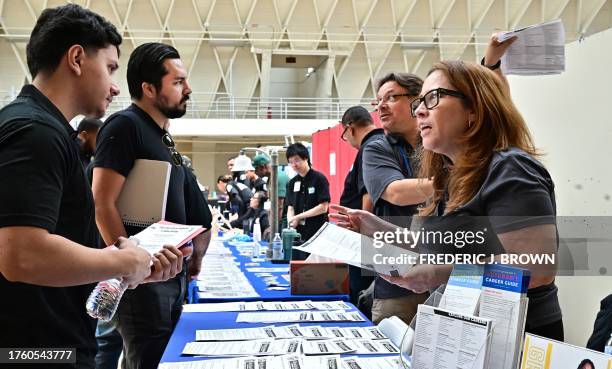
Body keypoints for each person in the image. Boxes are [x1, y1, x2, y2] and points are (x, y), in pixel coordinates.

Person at [0, 4, 178, 369]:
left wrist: (130, 270)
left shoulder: (47, 130)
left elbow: (56, 242)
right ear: (77, 58)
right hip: (38, 352)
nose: (115, 86)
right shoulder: (35, 132)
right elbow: (21, 255)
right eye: (110, 67)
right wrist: (121, 259)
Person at [334, 58, 564, 341]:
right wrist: (375, 227)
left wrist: (436, 273)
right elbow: (437, 246)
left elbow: (535, 267)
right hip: (465, 332)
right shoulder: (452, 176)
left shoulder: (509, 169)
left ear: (474, 109)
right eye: (419, 101)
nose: (418, 111)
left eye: (432, 98)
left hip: (512, 340)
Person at [92, 42, 211, 369]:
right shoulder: (125, 126)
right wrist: (128, 266)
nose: (187, 89)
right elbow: (102, 202)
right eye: (177, 82)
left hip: (169, 274)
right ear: (148, 88)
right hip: (144, 282)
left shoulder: (161, 136)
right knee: (149, 359)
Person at [360, 73, 433, 324]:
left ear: (419, 101)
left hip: (447, 277)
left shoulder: (439, 143)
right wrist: (455, 184)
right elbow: (396, 192)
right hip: (397, 281)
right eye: (378, 100)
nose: (381, 106)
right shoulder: (378, 147)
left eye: (391, 97)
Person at [338, 106, 384, 307]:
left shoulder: (370, 147)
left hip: (365, 240)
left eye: (344, 135)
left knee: (362, 295)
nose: (346, 141)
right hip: (372, 236)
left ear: (350, 128)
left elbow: (369, 193)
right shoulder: (380, 142)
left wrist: (363, 230)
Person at [285, 143, 330, 260]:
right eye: (291, 162)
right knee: (297, 267)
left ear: (306, 158)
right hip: (298, 233)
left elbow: (323, 207)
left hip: (317, 230)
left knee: (315, 267)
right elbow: (290, 206)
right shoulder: (292, 182)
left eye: (297, 160)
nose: (294, 165)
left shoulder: (319, 179)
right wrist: (291, 220)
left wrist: (298, 216)